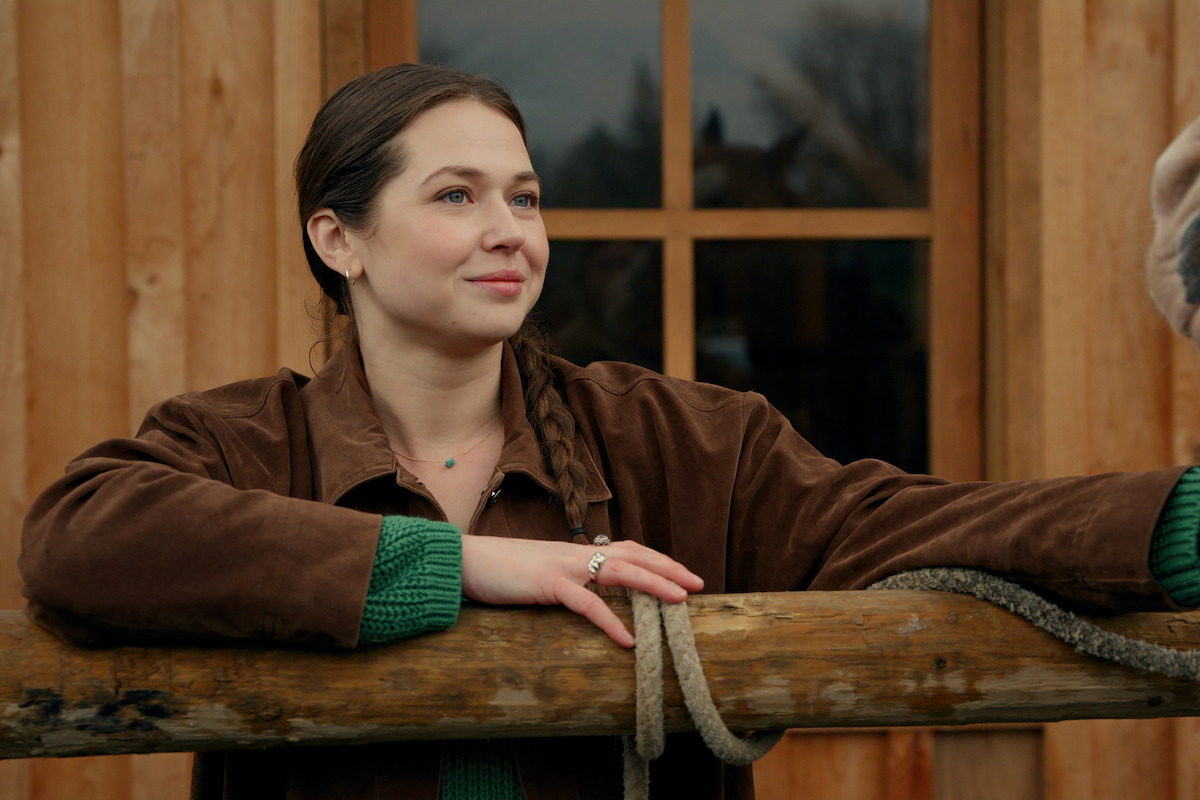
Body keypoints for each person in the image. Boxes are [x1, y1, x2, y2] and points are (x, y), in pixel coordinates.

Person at [18, 63, 1200, 800]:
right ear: (341, 241)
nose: (510, 230)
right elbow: (78, 536)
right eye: (456, 195)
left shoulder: (682, 439)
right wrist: (471, 564)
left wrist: (1171, 525)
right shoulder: (239, 440)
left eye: (524, 197)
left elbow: (895, 521)